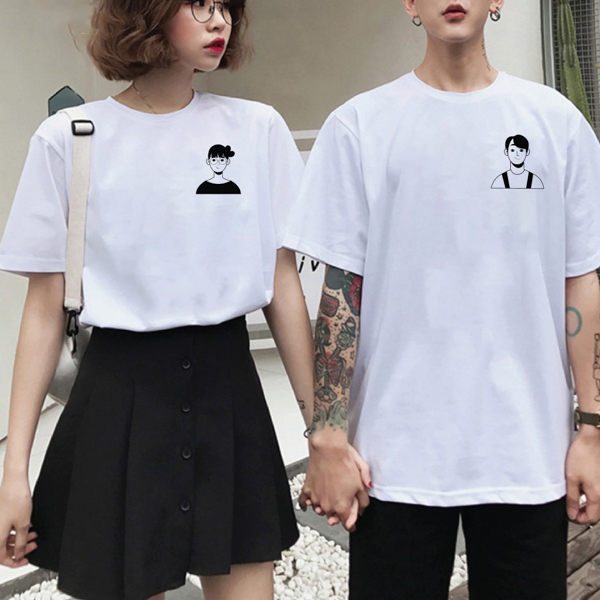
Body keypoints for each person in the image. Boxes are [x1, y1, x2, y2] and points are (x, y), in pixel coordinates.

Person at [0, 1, 315, 600]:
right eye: (198, 3)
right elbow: (43, 311)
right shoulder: (71, 136)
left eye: (225, 5)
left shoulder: (257, 129)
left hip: (229, 391)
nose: (219, 20)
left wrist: (320, 429)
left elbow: (283, 286)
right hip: (120, 395)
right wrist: (14, 473)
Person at [285, 1, 600, 599]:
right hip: (392, 455)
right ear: (409, 3)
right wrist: (326, 436)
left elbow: (581, 280)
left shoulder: (555, 123)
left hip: (526, 449)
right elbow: (341, 293)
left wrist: (592, 428)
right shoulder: (359, 126)